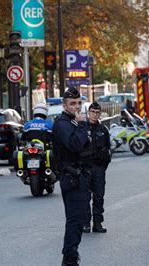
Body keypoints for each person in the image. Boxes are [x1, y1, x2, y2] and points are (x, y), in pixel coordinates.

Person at [53, 87, 90, 266]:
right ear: (65, 105)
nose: (76, 107)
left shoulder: (73, 121)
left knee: (79, 218)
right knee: (75, 220)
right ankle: (69, 259)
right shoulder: (63, 123)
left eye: (79, 103)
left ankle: (71, 256)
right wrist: (82, 125)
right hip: (71, 177)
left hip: (80, 176)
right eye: (72, 104)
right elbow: (75, 145)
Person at [82, 102, 111, 234]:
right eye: (93, 112)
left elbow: (108, 150)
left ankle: (98, 223)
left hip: (99, 167)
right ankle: (86, 223)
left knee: (99, 196)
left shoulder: (103, 130)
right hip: (85, 167)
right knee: (85, 197)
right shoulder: (81, 128)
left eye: (97, 112)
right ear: (88, 113)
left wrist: (102, 167)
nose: (95, 114)